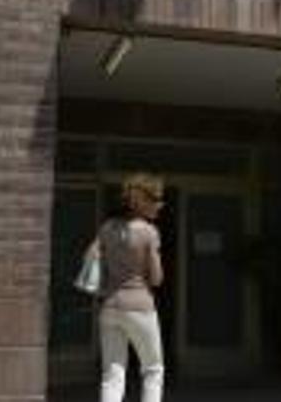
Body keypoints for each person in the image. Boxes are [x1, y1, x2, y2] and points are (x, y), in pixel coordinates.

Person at [90, 172, 167, 402]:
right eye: (157, 201)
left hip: (110, 307)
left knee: (112, 374)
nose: (160, 206)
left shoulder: (108, 228)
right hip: (139, 307)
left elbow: (95, 261)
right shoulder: (148, 232)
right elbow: (156, 279)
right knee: (153, 369)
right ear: (143, 202)